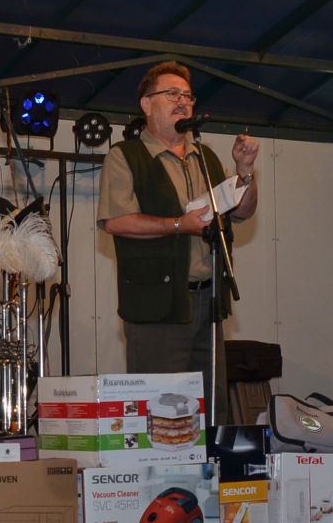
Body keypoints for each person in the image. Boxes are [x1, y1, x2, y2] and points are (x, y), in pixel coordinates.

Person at [98, 61, 260, 423]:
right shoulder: (126, 156)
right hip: (157, 304)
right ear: (146, 104)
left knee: (211, 407)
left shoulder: (207, 157)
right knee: (163, 410)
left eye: (187, 95)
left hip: (209, 300)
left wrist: (246, 171)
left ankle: (210, 459)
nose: (182, 101)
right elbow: (116, 222)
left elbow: (243, 211)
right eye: (171, 94)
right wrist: (178, 225)